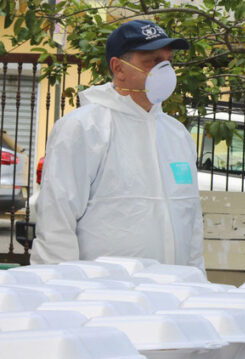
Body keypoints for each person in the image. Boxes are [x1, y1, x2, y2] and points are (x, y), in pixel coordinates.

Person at [31, 20, 204, 269]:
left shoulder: (176, 134)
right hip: (104, 297)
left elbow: (192, 223)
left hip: (171, 294)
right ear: (118, 68)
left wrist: (196, 284)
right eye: (153, 61)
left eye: (169, 61)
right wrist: (61, 291)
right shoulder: (84, 128)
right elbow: (57, 222)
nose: (165, 70)